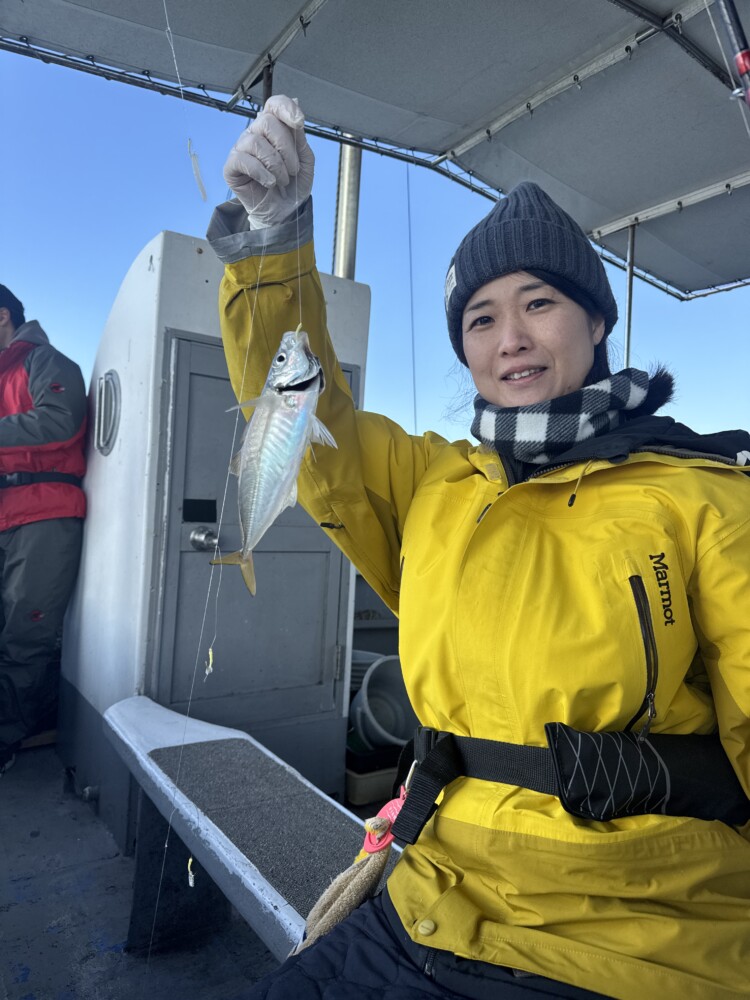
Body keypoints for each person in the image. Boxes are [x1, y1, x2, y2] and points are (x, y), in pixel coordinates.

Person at [207, 97, 750, 999]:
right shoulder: (430, 484)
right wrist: (274, 241)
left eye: (539, 303)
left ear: (597, 322)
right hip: (426, 901)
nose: (512, 340)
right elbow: (301, 406)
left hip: (634, 945)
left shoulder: (705, 499)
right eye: (482, 319)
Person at [0, 285, 87, 775]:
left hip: (43, 515)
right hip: (5, 514)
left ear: (3, 317)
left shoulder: (47, 362)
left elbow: (59, 421)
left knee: (24, 637)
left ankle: (5, 742)